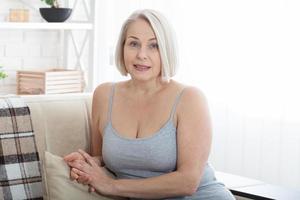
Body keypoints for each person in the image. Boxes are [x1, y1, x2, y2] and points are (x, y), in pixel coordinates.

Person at [64, 9, 235, 199]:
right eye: (133, 43)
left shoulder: (190, 99)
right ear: (122, 47)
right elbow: (105, 159)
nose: (141, 54)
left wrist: (113, 186)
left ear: (167, 50)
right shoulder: (104, 95)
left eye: (154, 46)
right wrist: (87, 164)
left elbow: (188, 182)